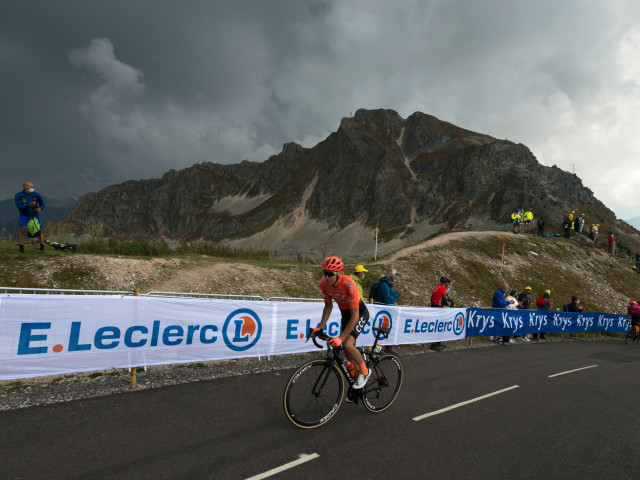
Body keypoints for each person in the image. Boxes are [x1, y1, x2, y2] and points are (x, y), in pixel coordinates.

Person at [312, 256, 371, 389]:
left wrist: (340, 338)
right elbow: (328, 306)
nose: (327, 277)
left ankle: (365, 371)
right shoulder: (323, 284)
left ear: (339, 273)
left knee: (347, 343)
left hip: (359, 313)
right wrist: (320, 327)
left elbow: (355, 315)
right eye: (324, 273)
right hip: (345, 314)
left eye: (330, 274)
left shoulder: (349, 283)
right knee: (347, 352)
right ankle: (358, 383)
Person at [375, 268, 403, 354]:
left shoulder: (388, 284)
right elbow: (388, 300)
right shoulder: (384, 285)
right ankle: (378, 348)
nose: (397, 277)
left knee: (389, 328)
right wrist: (397, 293)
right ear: (392, 276)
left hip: (387, 310)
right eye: (396, 275)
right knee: (382, 328)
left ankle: (388, 347)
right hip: (383, 310)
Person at [15, 180, 45, 252]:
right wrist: (29, 205)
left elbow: (43, 204)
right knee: (23, 230)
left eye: (33, 187)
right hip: (24, 215)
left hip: (35, 215)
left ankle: (42, 248)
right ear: (25, 187)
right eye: (31, 187)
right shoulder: (18, 195)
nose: (32, 188)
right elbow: (19, 206)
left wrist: (40, 208)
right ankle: (21, 248)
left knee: (39, 230)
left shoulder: (36, 195)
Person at [429, 276, 454, 351]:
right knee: (438, 326)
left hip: (434, 306)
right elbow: (443, 298)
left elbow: (431, 298)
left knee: (436, 325)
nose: (448, 285)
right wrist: (448, 304)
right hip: (439, 308)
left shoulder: (435, 287)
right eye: (448, 283)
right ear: (446, 283)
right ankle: (434, 344)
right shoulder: (443, 288)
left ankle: (438, 343)